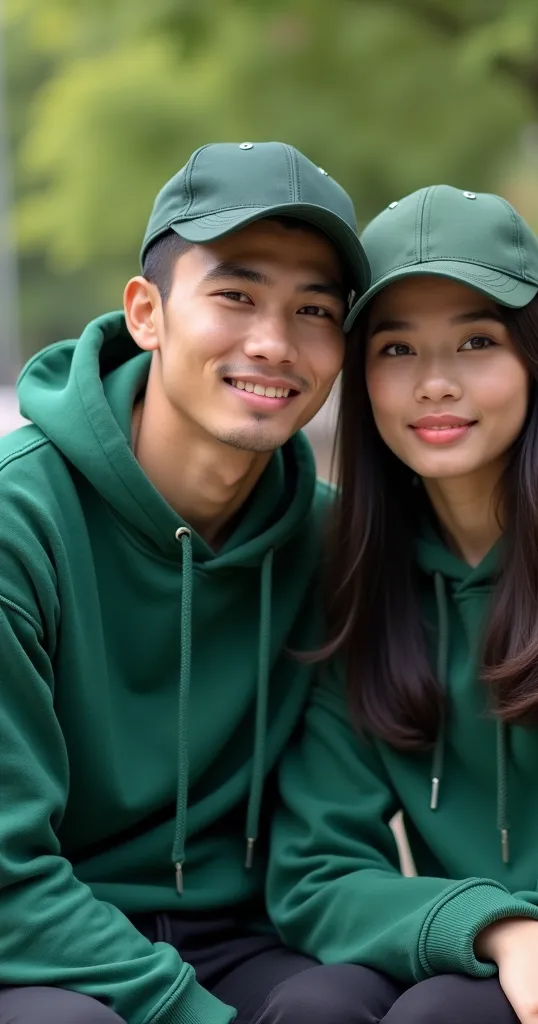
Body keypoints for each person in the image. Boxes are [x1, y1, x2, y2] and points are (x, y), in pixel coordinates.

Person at [265, 185, 538, 1023]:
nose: (435, 384)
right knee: (313, 1004)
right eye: (395, 351)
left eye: (477, 341)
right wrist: (492, 927)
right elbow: (316, 872)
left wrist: (520, 930)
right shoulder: (361, 564)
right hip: (487, 954)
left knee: (442, 1018)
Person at [0, 141, 370, 1024]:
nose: (273, 344)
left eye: (313, 310)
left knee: (342, 1005)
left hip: (240, 935)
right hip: (42, 944)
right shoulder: (20, 522)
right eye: (236, 296)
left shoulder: (327, 541)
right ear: (147, 313)